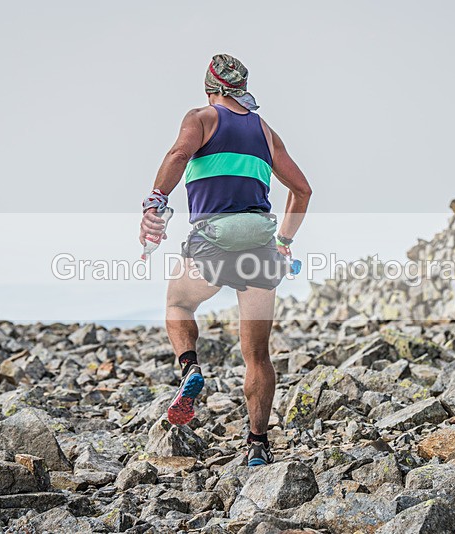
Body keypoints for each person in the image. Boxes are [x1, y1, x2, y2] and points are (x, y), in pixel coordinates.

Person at [139, 54, 312, 467]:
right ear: (243, 90)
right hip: (259, 241)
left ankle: (190, 368)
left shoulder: (201, 118)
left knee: (178, 303)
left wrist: (156, 201)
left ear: (209, 88)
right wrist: (285, 240)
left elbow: (179, 154)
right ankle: (257, 445)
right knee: (257, 355)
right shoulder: (266, 132)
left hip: (214, 241)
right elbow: (302, 190)